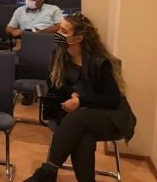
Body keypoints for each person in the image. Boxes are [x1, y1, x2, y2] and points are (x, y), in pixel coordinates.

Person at [24, 12, 136, 182]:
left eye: (64, 31)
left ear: (78, 38)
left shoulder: (99, 62)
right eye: (59, 29)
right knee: (84, 137)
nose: (58, 34)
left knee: (76, 120)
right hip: (80, 116)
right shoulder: (59, 53)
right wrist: (71, 93)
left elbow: (112, 100)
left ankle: (47, 173)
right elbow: (52, 83)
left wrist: (80, 100)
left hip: (110, 116)